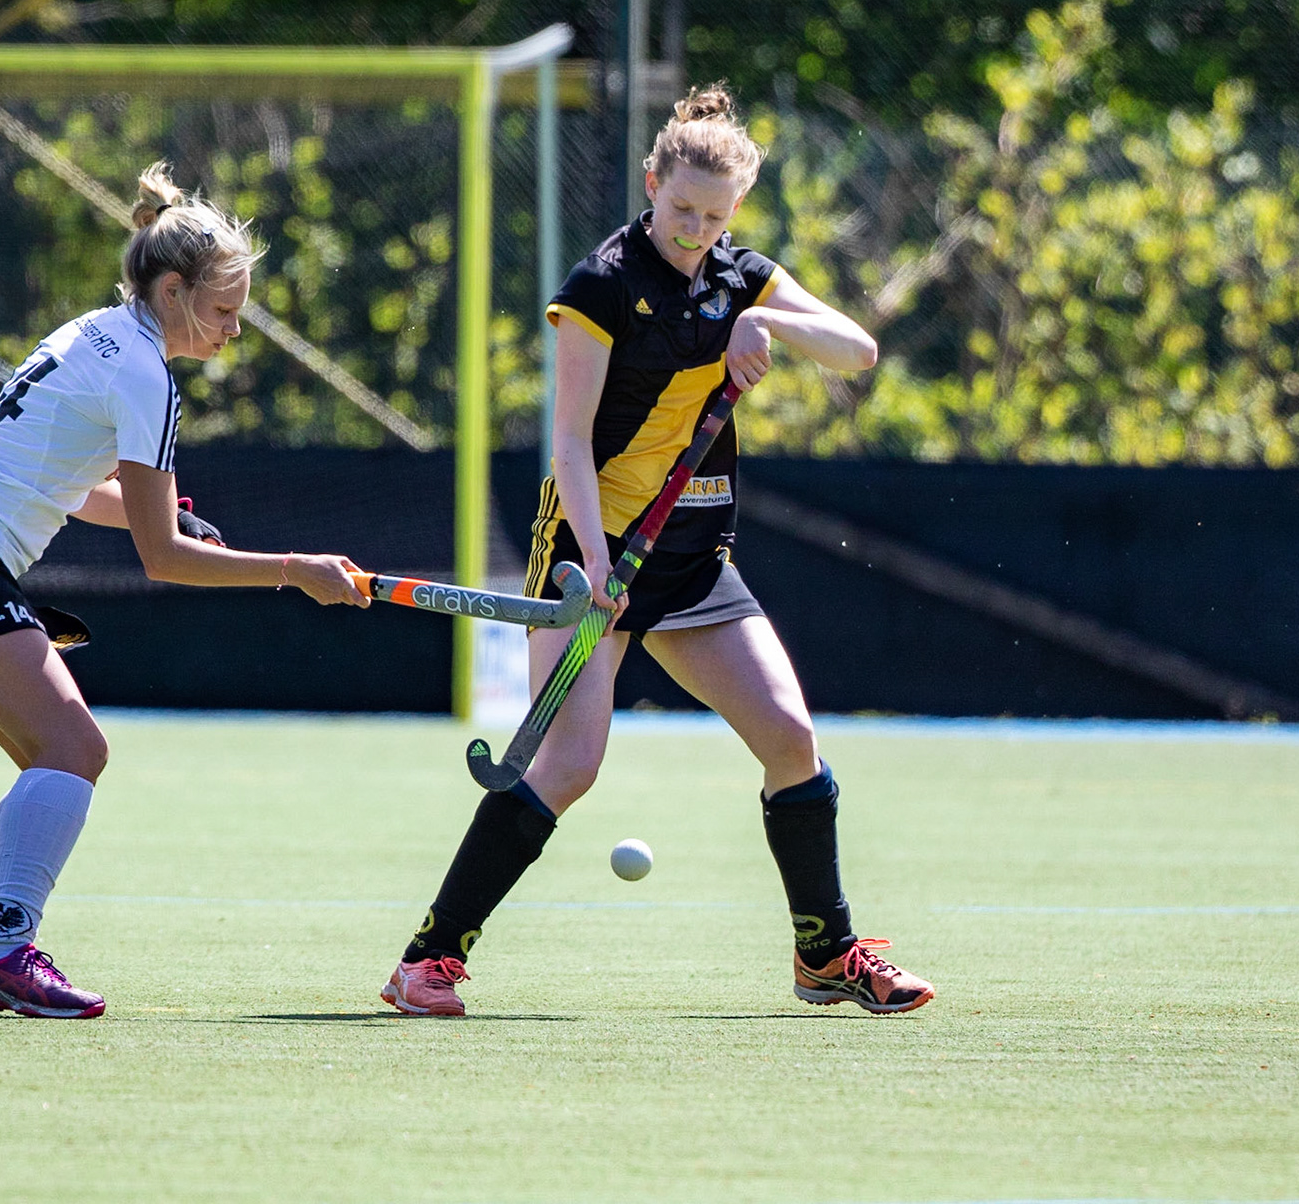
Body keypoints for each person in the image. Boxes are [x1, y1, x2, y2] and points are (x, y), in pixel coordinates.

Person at [381, 85, 934, 1018]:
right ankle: (427, 961)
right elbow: (568, 441)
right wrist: (594, 563)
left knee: (791, 740)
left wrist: (770, 324)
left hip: (692, 563)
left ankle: (826, 956)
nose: (695, 230)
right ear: (651, 182)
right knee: (570, 765)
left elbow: (858, 349)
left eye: (715, 217)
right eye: (682, 209)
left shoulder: (740, 277)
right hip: (590, 549)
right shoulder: (599, 286)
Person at [0, 162, 369, 1019]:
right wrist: (295, 569)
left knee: (49, 761)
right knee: (76, 752)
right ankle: (3, 951)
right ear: (172, 291)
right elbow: (163, 558)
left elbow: (72, 488)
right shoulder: (145, 377)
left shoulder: (97, 332)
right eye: (222, 311)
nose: (233, 331)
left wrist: (167, 515)